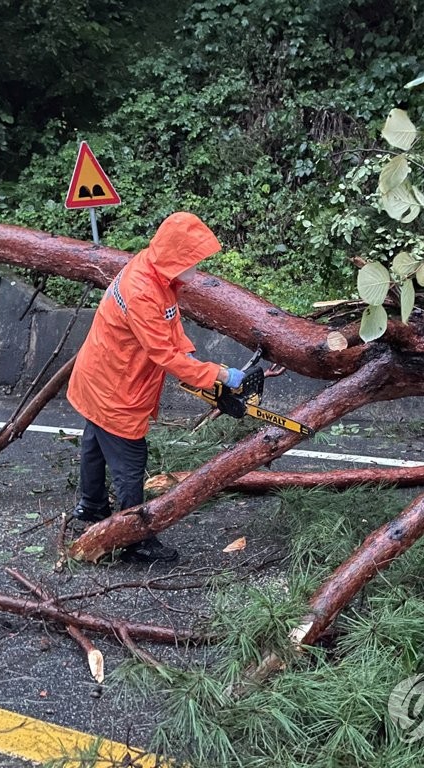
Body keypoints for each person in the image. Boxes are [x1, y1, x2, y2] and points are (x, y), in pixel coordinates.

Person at [65, 212, 246, 562]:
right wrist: (220, 376)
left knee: (95, 444)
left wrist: (196, 362)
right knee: (130, 462)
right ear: (175, 257)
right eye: (192, 260)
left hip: (101, 374)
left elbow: (168, 325)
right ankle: (135, 540)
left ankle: (90, 508)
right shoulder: (142, 291)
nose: (196, 267)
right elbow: (164, 354)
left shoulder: (152, 270)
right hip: (116, 386)